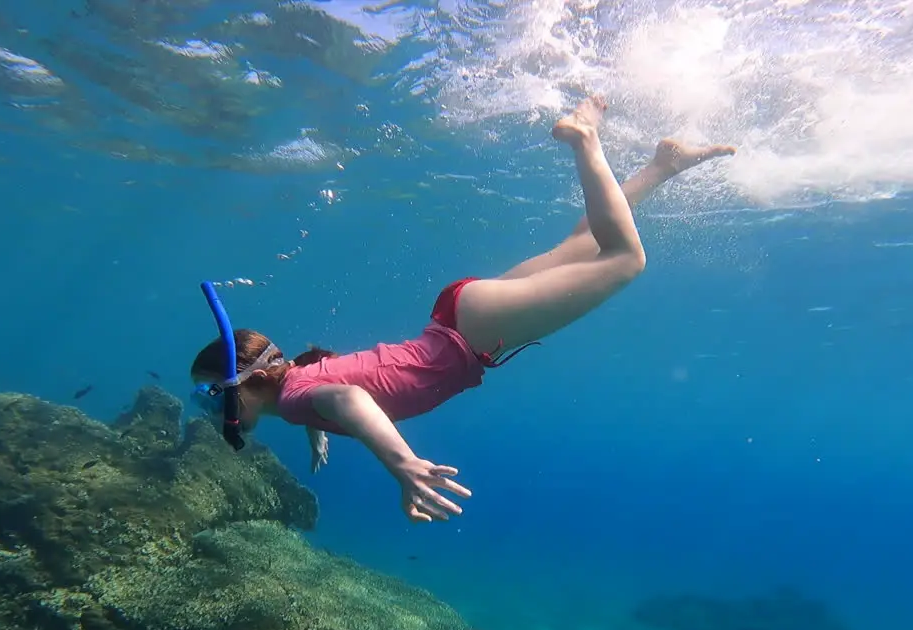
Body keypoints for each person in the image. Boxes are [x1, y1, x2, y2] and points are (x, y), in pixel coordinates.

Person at [190, 96, 735, 523]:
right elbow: (324, 390)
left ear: (237, 384)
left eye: (207, 397)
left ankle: (584, 139)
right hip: (460, 315)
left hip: (472, 330)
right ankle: (663, 166)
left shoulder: (294, 396)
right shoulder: (292, 391)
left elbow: (350, 396)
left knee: (624, 259)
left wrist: (402, 466)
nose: (208, 412)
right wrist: (317, 428)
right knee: (582, 249)